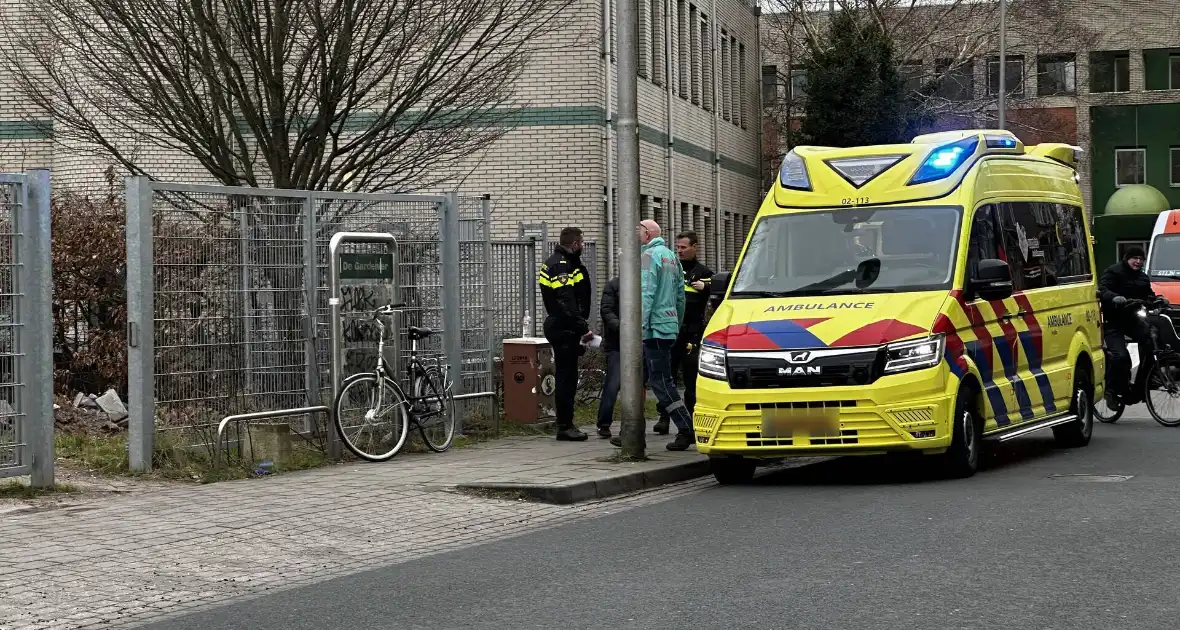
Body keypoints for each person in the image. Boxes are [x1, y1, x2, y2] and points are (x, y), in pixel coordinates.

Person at [612, 219, 694, 451]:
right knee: (639, 381)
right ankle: (631, 432)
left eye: (637, 230)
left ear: (647, 233)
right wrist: (675, 322)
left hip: (652, 329)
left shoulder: (648, 257)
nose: (634, 233)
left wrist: (637, 329)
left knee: (660, 381)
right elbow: (681, 295)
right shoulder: (670, 256)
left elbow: (645, 294)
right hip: (666, 326)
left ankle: (686, 428)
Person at [651, 231, 714, 435]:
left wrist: (706, 287)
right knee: (666, 375)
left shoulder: (704, 273)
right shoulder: (673, 269)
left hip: (692, 334)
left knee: (690, 380)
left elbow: (720, 295)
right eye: (677, 248)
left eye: (683, 248)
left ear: (695, 247)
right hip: (672, 331)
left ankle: (692, 419)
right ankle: (664, 417)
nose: (679, 251)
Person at [539, 227, 595, 441]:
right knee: (566, 377)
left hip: (565, 325)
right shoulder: (561, 266)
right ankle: (564, 426)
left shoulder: (559, 262)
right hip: (564, 326)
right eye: (581, 243)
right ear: (574, 244)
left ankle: (566, 422)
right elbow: (566, 301)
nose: (582, 246)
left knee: (567, 376)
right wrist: (583, 329)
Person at [1099, 246, 1165, 406]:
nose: (1138, 261)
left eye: (1141, 259)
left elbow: (1148, 295)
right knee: (1120, 357)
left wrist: (1159, 300)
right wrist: (1114, 298)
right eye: (1135, 258)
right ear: (1127, 258)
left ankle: (1144, 382)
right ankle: (1112, 391)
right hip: (1112, 321)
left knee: (1152, 340)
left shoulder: (1142, 277)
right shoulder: (1113, 272)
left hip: (1131, 319)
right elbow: (1102, 289)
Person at [595, 276, 621, 439]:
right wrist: (622, 327)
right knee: (613, 383)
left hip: (644, 340)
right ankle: (604, 423)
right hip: (617, 342)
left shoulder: (648, 285)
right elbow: (606, 310)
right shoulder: (614, 286)